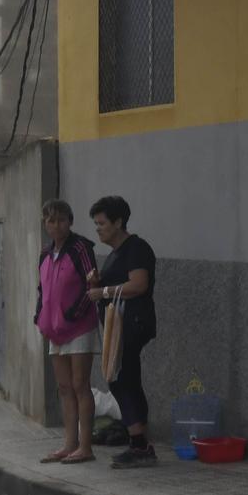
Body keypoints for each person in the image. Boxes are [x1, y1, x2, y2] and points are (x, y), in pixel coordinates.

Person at [84, 195, 159, 469]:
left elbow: (138, 285)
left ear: (118, 222)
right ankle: (139, 442)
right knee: (125, 379)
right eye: (96, 224)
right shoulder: (116, 253)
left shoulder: (136, 248)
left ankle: (140, 444)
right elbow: (116, 284)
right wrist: (98, 282)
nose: (98, 228)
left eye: (102, 223)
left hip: (132, 324)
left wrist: (102, 291)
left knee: (120, 379)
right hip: (118, 326)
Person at [33, 199, 100, 465]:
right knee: (64, 387)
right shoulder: (45, 254)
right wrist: (39, 316)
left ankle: (86, 447)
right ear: (45, 223)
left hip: (79, 327)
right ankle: (69, 444)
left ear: (70, 221)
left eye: (61, 220)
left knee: (80, 385)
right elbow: (42, 290)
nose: (56, 225)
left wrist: (74, 313)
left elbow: (92, 284)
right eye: (50, 220)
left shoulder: (81, 248)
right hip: (54, 329)